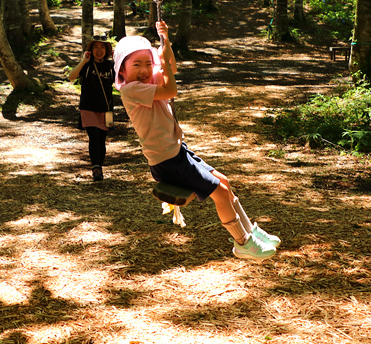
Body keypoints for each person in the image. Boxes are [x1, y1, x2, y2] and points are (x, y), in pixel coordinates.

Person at [113, 21, 280, 260]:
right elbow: (171, 89)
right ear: (122, 70)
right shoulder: (131, 90)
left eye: (148, 64)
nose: (144, 69)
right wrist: (163, 65)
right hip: (167, 161)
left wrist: (166, 42)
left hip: (177, 152)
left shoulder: (146, 83)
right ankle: (242, 243)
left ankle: (250, 232)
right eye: (136, 64)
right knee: (220, 193)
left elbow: (172, 68)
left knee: (224, 181)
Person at [69, 35, 115, 181]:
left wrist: (118, 60)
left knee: (101, 139)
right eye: (96, 47)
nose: (99, 50)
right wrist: (84, 60)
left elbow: (123, 79)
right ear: (91, 49)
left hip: (106, 108)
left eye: (102, 47)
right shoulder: (87, 65)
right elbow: (71, 76)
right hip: (88, 107)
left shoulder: (111, 66)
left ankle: (99, 166)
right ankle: (95, 168)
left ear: (106, 50)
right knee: (94, 136)